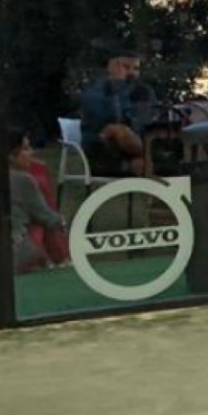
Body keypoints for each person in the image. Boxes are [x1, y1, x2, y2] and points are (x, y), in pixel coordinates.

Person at [77, 47, 158, 178]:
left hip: (136, 151)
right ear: (110, 68)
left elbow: (148, 120)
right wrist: (119, 85)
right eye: (126, 67)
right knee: (118, 131)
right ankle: (155, 156)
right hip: (103, 152)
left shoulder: (143, 91)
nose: (131, 72)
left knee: (141, 163)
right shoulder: (95, 90)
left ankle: (150, 157)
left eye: (136, 69)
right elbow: (107, 118)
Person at [10, 132, 67, 274]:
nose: (32, 152)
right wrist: (64, 222)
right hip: (15, 253)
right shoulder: (22, 180)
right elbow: (47, 218)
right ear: (10, 155)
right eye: (26, 148)